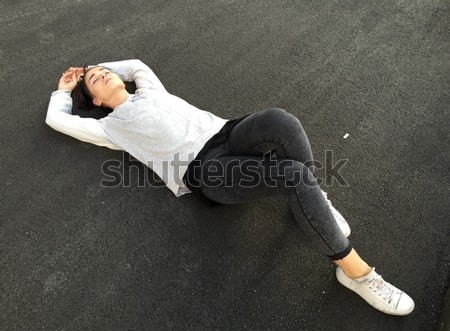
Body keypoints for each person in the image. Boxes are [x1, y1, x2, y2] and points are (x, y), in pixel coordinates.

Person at [46, 59, 414, 316]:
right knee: (294, 176)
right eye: (95, 80)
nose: (104, 75)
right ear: (95, 100)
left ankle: (316, 202)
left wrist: (89, 65)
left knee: (280, 120)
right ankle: (357, 274)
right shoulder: (111, 129)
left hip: (227, 134)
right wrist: (68, 86)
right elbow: (56, 119)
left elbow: (136, 64)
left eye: (105, 71)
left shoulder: (148, 89)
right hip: (206, 169)